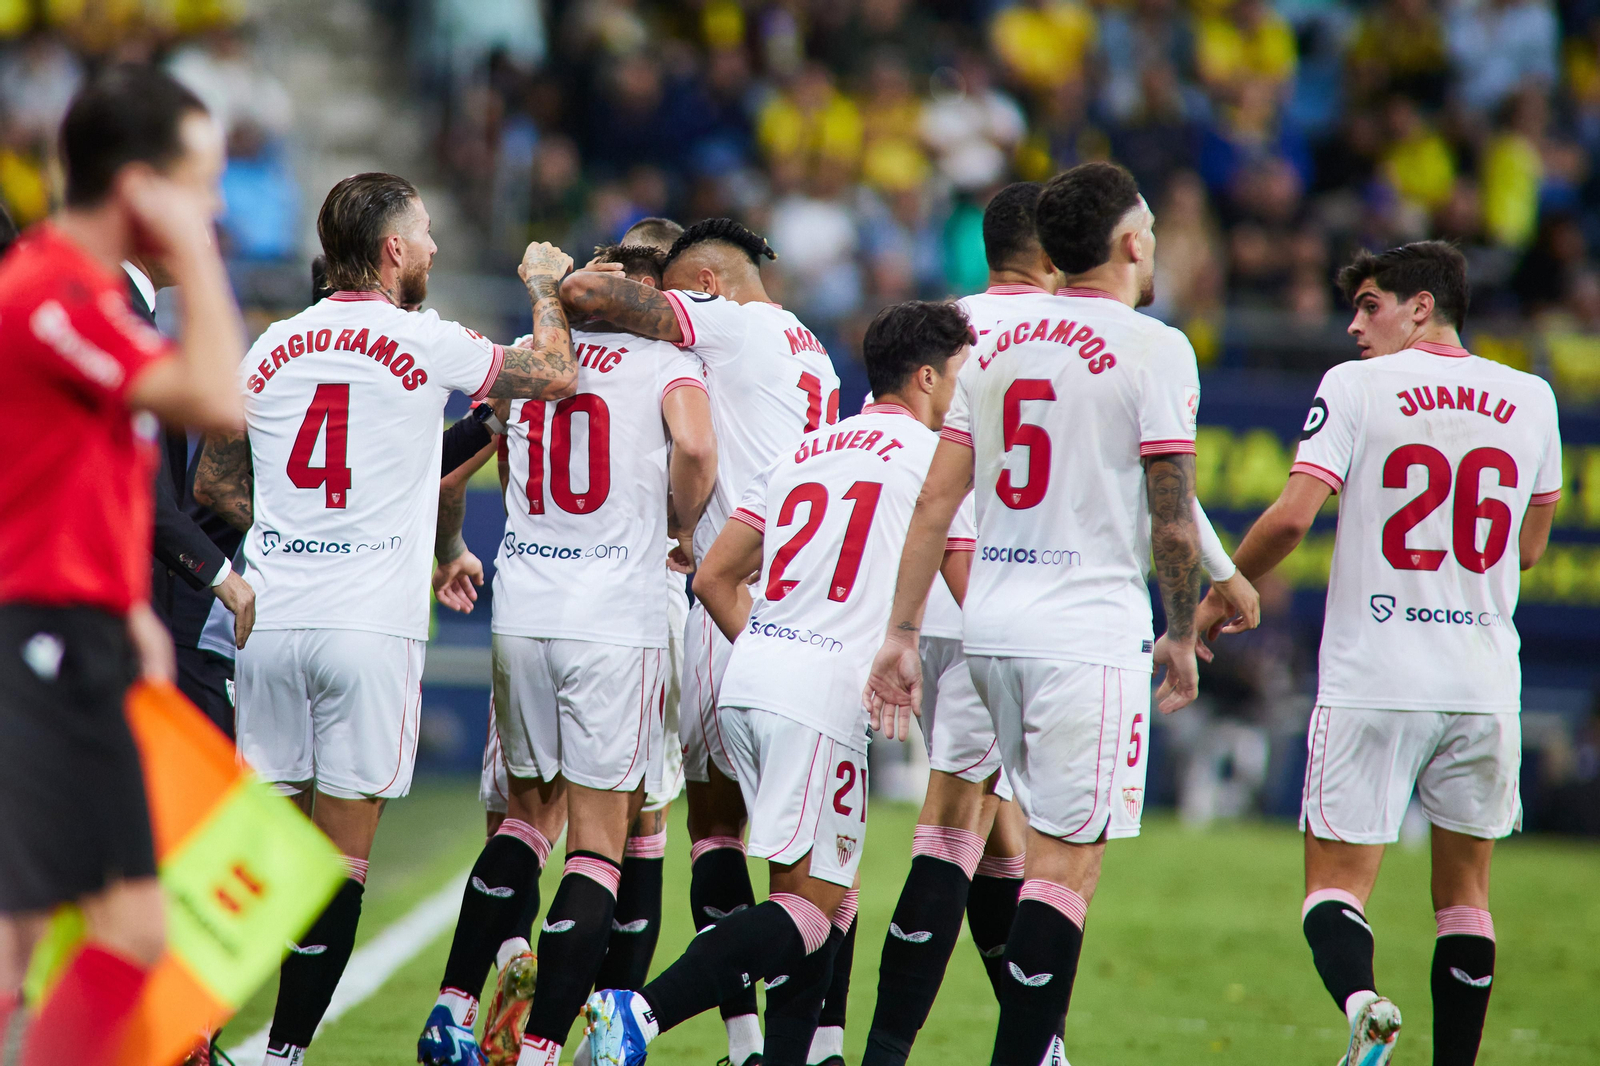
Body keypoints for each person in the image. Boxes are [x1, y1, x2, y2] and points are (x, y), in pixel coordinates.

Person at [193, 172, 579, 1066]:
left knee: (255, 854)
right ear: (393, 250)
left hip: (271, 620)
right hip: (368, 627)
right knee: (339, 863)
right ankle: (284, 1052)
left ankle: (195, 1033)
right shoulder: (423, 338)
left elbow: (212, 485)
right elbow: (553, 373)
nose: (438, 248)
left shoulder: (269, 346)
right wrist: (546, 286)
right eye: (428, 233)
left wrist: (303, 528)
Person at [861, 161, 1229, 1066]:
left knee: (955, 833)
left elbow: (935, 501)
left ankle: (883, 1051)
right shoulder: (1156, 346)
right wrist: (1181, 630)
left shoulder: (983, 347)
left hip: (985, 622)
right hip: (1084, 636)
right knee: (1064, 870)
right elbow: (1170, 509)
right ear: (1134, 243)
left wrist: (902, 633)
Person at [1193, 241, 1562, 1066]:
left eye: (1370, 305)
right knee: (1465, 902)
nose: (1355, 325)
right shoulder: (1533, 397)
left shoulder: (1356, 387)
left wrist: (1223, 588)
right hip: (1484, 684)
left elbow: (1291, 519)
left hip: (1377, 675)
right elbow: (1530, 549)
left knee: (1332, 888)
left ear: (1421, 306)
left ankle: (1363, 1005)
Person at [583, 299, 973, 1066]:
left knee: (826, 892)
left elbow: (715, 577)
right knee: (809, 907)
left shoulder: (805, 451)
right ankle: (638, 1014)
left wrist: (774, 649)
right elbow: (966, 585)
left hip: (753, 675)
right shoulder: (933, 464)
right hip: (819, 697)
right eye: (961, 377)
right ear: (928, 378)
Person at [419, 242, 717, 1066]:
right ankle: (548, 1045)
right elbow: (694, 450)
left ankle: (451, 1010)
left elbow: (452, 474)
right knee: (600, 842)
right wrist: (682, 527)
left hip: (524, 611)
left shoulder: (534, 363)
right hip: (614, 617)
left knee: (522, 817)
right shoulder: (667, 363)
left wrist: (449, 549)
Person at [0, 64, 245, 1066]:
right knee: (17, 940)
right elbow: (220, 398)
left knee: (137, 934)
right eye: (201, 183)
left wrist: (131, 611)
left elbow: (93, 481)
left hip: (89, 630)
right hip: (37, 637)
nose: (216, 207)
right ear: (140, 184)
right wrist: (191, 243)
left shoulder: (86, 297)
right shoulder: (53, 291)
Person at [560, 217, 841, 1066]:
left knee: (718, 834)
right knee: (819, 865)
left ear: (710, 286)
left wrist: (586, 284)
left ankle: (727, 1036)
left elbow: (586, 295)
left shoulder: (729, 322)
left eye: (681, 292)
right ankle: (814, 1046)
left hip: (732, 614)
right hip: (813, 618)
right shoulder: (814, 351)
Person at [129, 255, 256, 741]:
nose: (203, 235)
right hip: (111, 606)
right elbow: (144, 489)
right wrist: (222, 575)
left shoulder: (137, 314)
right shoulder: (117, 314)